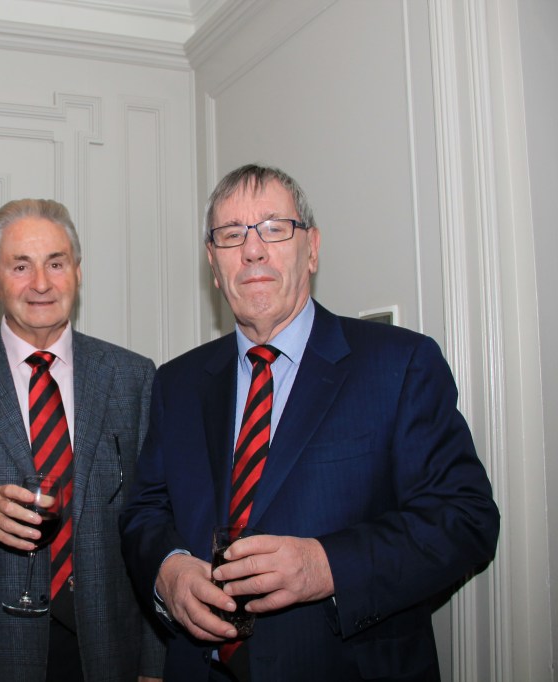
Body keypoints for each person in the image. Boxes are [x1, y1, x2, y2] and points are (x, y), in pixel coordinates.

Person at [119, 164, 500, 681]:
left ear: (312, 248)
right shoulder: (177, 382)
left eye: (275, 228)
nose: (253, 250)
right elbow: (144, 511)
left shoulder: (400, 364)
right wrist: (168, 569)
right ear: (214, 263)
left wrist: (326, 566)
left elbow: (466, 519)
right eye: (231, 235)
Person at [0, 199, 164, 681]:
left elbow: (153, 520)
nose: (41, 283)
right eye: (20, 266)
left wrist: (154, 663)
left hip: (108, 653)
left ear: (78, 273)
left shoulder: (133, 378)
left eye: (56, 264)